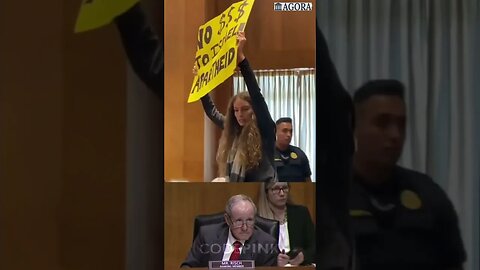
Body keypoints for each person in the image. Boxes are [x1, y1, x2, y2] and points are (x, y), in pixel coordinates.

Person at [350, 79, 467, 270]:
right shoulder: (329, 197)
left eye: (401, 124)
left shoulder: (429, 195)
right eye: (383, 123)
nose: (395, 134)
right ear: (354, 127)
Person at [199, 32, 276, 182]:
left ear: (253, 110)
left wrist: (241, 60)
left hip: (264, 188)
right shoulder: (233, 128)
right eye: (236, 110)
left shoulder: (265, 127)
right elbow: (212, 112)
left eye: (245, 109)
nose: (239, 114)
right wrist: (201, 86)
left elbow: (256, 94)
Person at [181, 194, 279, 268]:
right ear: (227, 220)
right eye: (239, 221)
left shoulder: (267, 243)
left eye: (249, 220)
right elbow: (187, 266)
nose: (245, 228)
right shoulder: (207, 235)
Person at [257, 182, 315, 266]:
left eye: (284, 188)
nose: (282, 193)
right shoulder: (258, 219)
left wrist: (304, 256)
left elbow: (314, 246)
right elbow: (254, 254)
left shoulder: (301, 213)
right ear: (266, 192)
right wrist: (274, 261)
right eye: (276, 189)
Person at [274, 117, 312, 182]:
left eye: (290, 131)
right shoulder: (267, 154)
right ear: (275, 132)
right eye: (285, 131)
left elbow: (308, 181)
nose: (289, 135)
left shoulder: (300, 154)